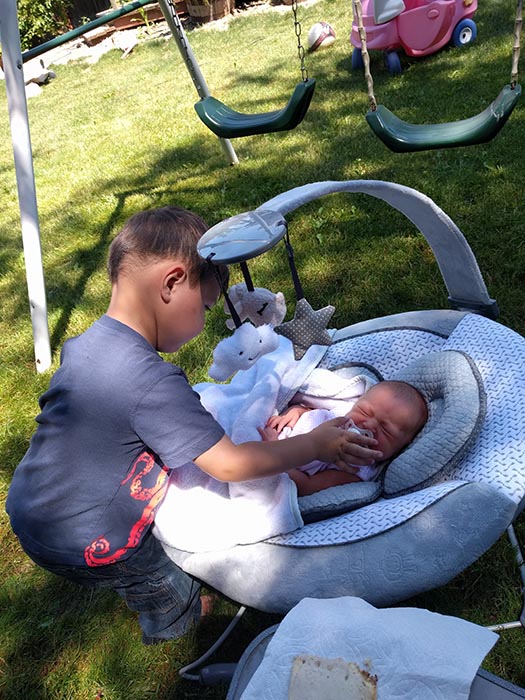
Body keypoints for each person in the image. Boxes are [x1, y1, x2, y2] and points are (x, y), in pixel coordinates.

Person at [5, 205, 383, 645]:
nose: (205, 322)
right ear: (171, 283)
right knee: (160, 582)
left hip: (32, 501)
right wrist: (315, 446)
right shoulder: (149, 380)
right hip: (88, 535)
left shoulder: (86, 345)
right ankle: (174, 620)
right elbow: (230, 464)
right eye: (204, 307)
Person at [259, 380, 427, 496]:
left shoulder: (355, 470)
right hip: (271, 426)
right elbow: (314, 413)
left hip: (268, 462)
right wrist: (296, 411)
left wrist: (274, 452)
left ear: (399, 449)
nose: (368, 425)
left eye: (385, 430)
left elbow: (305, 486)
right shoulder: (341, 415)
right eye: (364, 412)